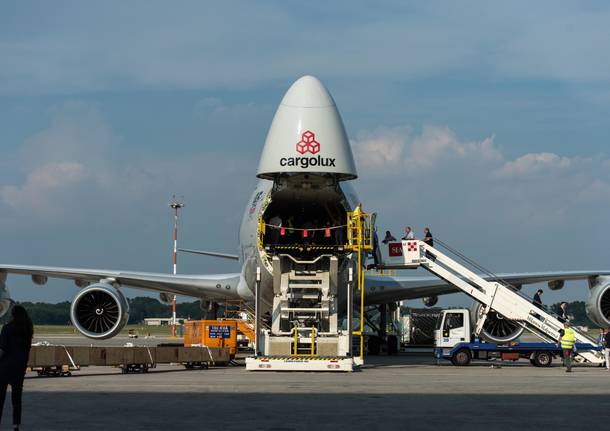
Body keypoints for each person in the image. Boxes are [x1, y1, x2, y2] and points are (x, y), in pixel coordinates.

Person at [0, 305, 34, 430]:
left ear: (13, 315)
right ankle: (16, 425)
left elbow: (2, 349)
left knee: (1, 399)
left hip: (4, 368)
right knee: (17, 400)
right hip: (19, 368)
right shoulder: (28, 330)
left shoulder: (7, 328)